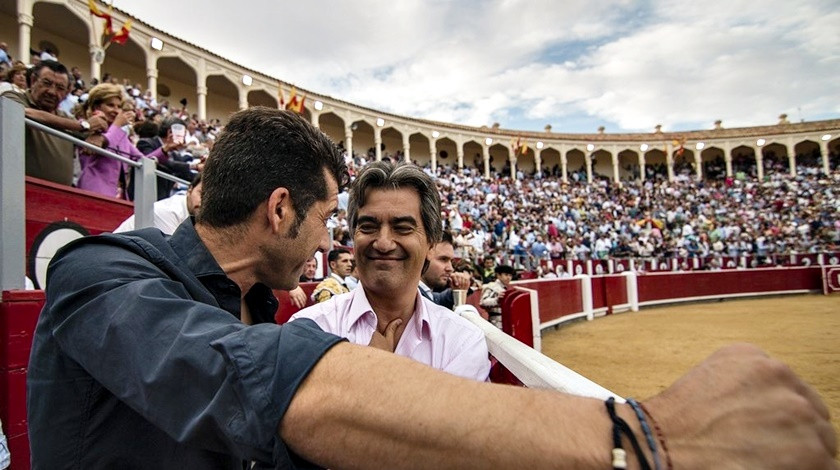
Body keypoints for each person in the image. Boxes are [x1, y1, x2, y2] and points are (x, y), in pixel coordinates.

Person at [27, 108, 837, 469]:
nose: (333, 240)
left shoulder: (261, 308)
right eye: (327, 220)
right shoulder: (101, 276)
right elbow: (254, 382)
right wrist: (641, 435)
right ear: (282, 210)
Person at [292, 162, 490, 381]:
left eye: (402, 228)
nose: (383, 243)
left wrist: (369, 378)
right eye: (368, 227)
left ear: (431, 245)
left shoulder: (463, 341)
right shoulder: (311, 328)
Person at [1, 60, 107, 185]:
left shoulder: (66, 118)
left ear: (67, 92)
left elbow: (99, 140)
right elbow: (24, 113)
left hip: (57, 198)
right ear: (33, 80)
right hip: (16, 192)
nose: (52, 92)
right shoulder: (12, 97)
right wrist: (83, 125)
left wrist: (99, 138)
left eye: (60, 88)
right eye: (46, 83)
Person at [76, 83, 175, 199]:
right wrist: (117, 125)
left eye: (118, 107)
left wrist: (166, 148)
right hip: (93, 193)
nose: (116, 110)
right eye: (110, 105)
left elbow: (143, 161)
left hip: (120, 197)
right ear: (96, 107)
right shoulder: (87, 126)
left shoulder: (121, 136)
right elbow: (104, 144)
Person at [113, 173, 203, 235]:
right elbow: (173, 255)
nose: (203, 202)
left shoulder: (194, 214)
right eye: (201, 194)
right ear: (189, 190)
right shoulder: (168, 211)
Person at [419, 230, 473, 310]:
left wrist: (458, 289)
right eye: (443, 259)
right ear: (422, 257)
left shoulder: (423, 293)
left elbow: (436, 299)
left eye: (451, 261)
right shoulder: (407, 298)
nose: (450, 269)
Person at [479, 264, 515, 328]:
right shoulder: (492, 286)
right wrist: (497, 300)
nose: (508, 278)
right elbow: (483, 302)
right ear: (498, 275)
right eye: (506, 275)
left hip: (504, 321)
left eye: (510, 275)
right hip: (496, 321)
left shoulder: (504, 287)